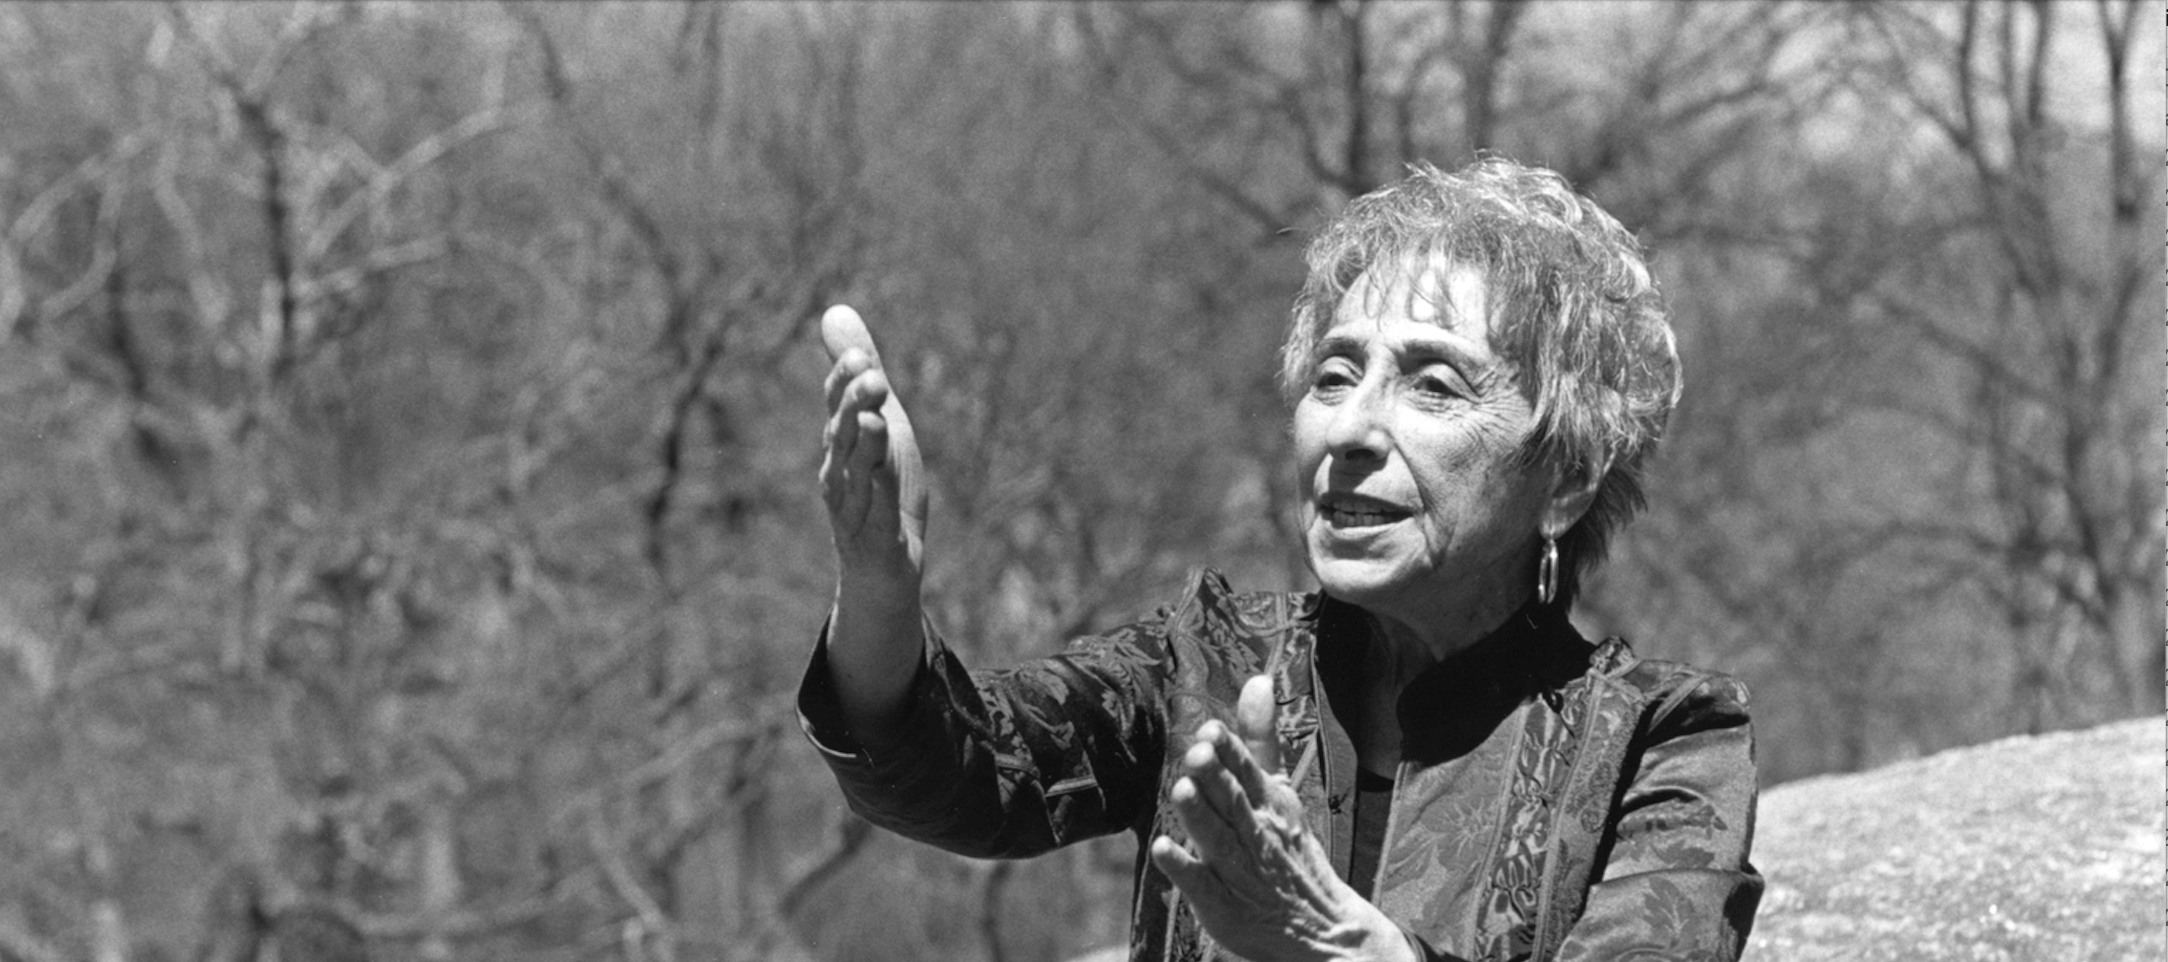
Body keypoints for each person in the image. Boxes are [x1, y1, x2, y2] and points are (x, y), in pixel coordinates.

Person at [799, 157, 1761, 962]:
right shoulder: (1204, 663)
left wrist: (1337, 948)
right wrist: (882, 583)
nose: (1351, 427)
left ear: (1567, 480)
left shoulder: (1661, 741)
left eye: (1433, 386)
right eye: (1335, 375)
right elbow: (959, 775)